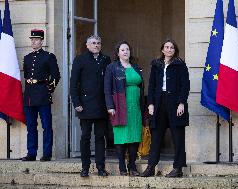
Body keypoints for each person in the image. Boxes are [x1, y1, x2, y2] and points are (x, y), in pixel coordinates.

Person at [141, 39, 190, 178]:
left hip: (175, 103)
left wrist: (181, 103)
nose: (169, 49)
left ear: (175, 50)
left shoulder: (180, 65)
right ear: (162, 50)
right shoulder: (156, 65)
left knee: (177, 137)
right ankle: (150, 167)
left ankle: (178, 168)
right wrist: (150, 104)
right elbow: (151, 86)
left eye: (172, 47)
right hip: (158, 102)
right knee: (156, 136)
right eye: (167, 47)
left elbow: (185, 85)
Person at [70, 35, 111, 177]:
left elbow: (109, 83)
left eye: (99, 43)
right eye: (93, 43)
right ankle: (85, 168)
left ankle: (100, 167)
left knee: (100, 137)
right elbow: (73, 84)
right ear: (87, 45)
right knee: (85, 137)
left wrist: (109, 104)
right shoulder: (80, 60)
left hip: (101, 105)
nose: (96, 45)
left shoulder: (106, 60)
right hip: (85, 106)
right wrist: (76, 103)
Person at [104, 41, 144, 176]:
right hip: (120, 106)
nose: (125, 52)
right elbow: (107, 89)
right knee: (121, 136)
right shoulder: (112, 67)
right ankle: (122, 166)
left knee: (134, 136)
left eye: (127, 49)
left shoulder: (137, 68)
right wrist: (110, 106)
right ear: (118, 53)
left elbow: (141, 87)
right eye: (122, 50)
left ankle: (132, 166)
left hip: (135, 108)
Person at [22, 29, 60, 162]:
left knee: (46, 126)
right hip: (29, 96)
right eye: (32, 39)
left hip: (43, 95)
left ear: (42, 41)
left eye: (36, 39)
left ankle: (47, 153)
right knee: (31, 126)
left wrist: (49, 89)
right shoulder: (27, 58)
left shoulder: (49, 56)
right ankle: (31, 153)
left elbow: (56, 76)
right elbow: (27, 76)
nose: (33, 42)